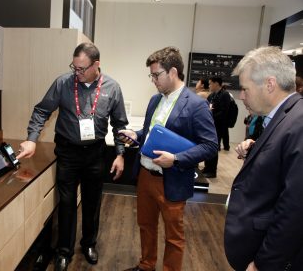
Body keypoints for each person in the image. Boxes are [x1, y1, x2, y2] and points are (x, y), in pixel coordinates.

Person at [16, 42, 129, 271]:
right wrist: (32, 138)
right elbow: (41, 111)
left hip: (96, 153)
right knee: (66, 203)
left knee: (92, 202)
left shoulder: (112, 88)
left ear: (96, 65)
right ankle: (63, 251)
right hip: (67, 152)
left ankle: (88, 244)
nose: (76, 73)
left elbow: (119, 125)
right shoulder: (63, 83)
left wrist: (120, 153)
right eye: (74, 67)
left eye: (81, 69)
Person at [120, 46, 218, 271]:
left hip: (172, 178)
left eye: (156, 75)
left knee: (174, 236)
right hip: (145, 174)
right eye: (151, 75)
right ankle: (146, 265)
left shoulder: (196, 105)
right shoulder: (155, 100)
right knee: (146, 225)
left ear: (173, 72)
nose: (153, 80)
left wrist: (176, 158)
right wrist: (136, 135)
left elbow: (210, 145)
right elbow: (151, 132)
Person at [225, 46, 303, 271]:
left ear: (269, 84)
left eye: (245, 89)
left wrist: (264, 263)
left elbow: (294, 209)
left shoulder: (297, 124)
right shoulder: (284, 117)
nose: (241, 96)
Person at [202, 76, 231, 178]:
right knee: (207, 146)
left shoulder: (225, 95)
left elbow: (224, 112)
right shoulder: (212, 96)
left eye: (210, 83)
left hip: (218, 126)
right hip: (210, 125)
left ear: (217, 84)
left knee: (214, 147)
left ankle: (212, 170)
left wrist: (211, 116)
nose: (209, 85)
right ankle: (207, 167)